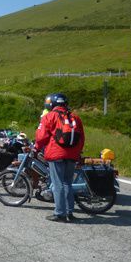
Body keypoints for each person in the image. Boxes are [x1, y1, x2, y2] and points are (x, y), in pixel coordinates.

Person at [36, 93, 85, 222]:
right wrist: (77, 153)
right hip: (72, 155)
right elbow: (81, 138)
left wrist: (36, 147)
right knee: (67, 183)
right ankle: (70, 212)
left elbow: (41, 137)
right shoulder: (75, 118)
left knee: (57, 184)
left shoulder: (49, 117)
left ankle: (60, 213)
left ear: (51, 104)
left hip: (56, 154)